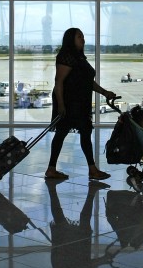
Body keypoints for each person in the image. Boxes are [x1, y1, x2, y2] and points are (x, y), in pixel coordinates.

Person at [45, 27, 116, 181]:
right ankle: (92, 169)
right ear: (71, 39)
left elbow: (88, 82)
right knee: (80, 132)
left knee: (67, 133)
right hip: (70, 102)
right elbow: (59, 82)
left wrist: (104, 92)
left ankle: (52, 169)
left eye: (83, 36)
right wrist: (61, 106)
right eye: (79, 37)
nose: (83, 39)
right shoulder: (67, 56)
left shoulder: (79, 58)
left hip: (79, 102)